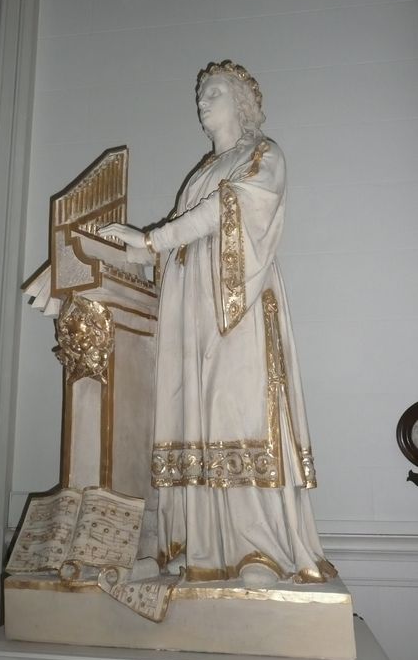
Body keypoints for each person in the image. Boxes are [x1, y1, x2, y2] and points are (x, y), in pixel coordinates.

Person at [99, 61, 335, 587]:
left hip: (238, 308)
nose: (202, 102)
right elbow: (179, 241)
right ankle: (198, 546)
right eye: (200, 95)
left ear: (243, 104)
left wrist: (152, 239)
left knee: (237, 410)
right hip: (193, 313)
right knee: (194, 414)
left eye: (215, 93)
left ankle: (260, 550)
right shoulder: (200, 173)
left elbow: (229, 213)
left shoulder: (261, 155)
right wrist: (130, 254)